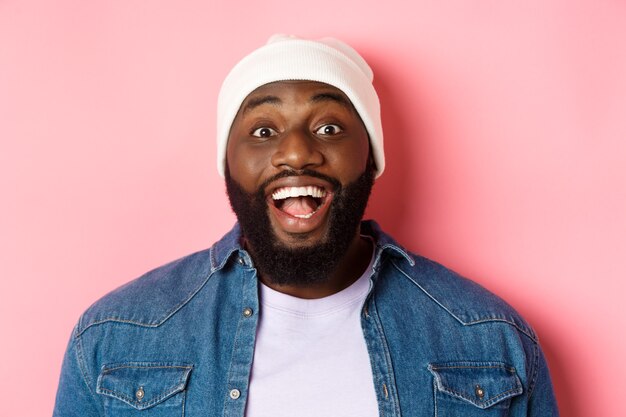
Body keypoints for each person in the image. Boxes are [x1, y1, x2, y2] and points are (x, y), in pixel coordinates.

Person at [53, 34, 559, 416]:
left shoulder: (491, 341)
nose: (296, 152)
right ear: (228, 163)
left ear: (370, 157)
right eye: (264, 130)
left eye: (329, 127)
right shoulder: (114, 338)